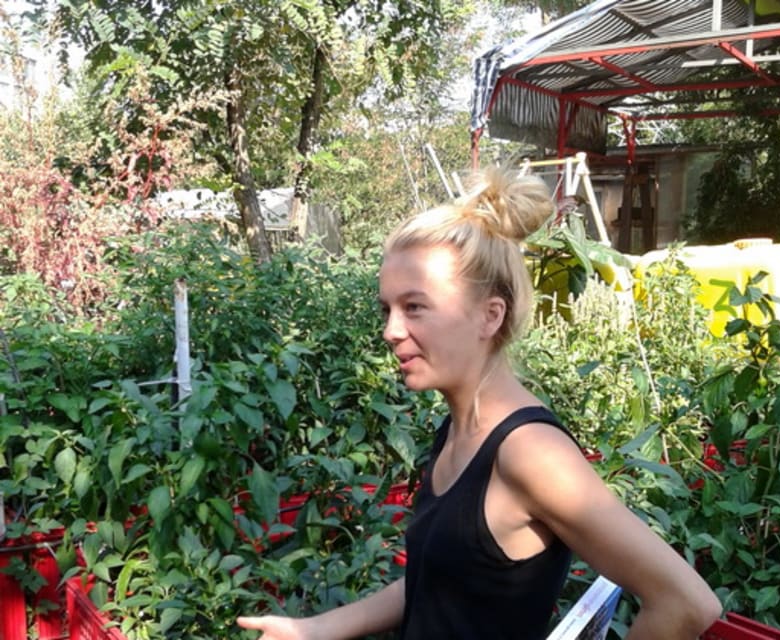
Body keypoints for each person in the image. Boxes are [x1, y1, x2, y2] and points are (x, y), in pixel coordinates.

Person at [237, 166, 722, 640]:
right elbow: (439, 582)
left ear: (490, 316)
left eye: (415, 307)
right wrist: (314, 629)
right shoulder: (458, 429)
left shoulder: (529, 452)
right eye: (387, 309)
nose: (391, 331)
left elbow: (685, 602)